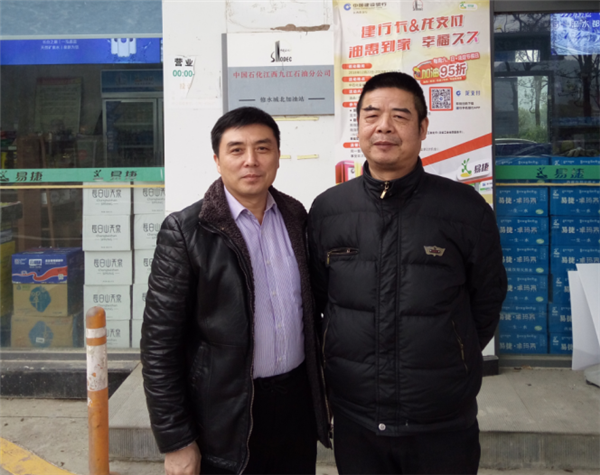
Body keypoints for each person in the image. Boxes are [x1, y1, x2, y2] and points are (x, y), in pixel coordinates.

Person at [308, 72, 507, 474]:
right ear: (359, 126)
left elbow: (486, 300)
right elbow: (317, 300)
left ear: (423, 128)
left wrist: (455, 351)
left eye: (399, 116)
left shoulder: (465, 209)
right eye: (371, 115)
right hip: (357, 418)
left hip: (441, 420)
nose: (384, 126)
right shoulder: (328, 210)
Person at [141, 106, 331, 475]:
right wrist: (176, 440)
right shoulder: (186, 231)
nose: (251, 161)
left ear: (277, 155)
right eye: (236, 150)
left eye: (263, 148)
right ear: (217, 160)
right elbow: (159, 345)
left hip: (295, 407)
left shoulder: (296, 216)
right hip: (224, 413)